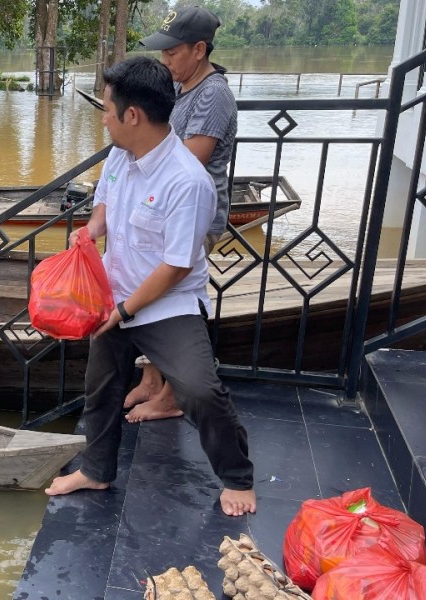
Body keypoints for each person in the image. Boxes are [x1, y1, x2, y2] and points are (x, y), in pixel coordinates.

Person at [44, 57, 255, 516]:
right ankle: (96, 471)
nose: (103, 118)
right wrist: (93, 230)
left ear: (132, 115)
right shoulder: (122, 155)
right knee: (101, 387)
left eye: (106, 109)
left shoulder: (187, 181)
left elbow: (176, 266)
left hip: (166, 305)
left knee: (200, 389)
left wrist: (123, 312)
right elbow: (105, 198)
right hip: (115, 290)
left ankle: (237, 478)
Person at [126, 5, 238, 423]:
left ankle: (172, 395)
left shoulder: (213, 94)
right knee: (149, 289)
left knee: (175, 297)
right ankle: (152, 380)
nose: (165, 61)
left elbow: (190, 160)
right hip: (160, 212)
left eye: (172, 53)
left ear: (199, 49)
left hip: (194, 215)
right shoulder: (180, 88)